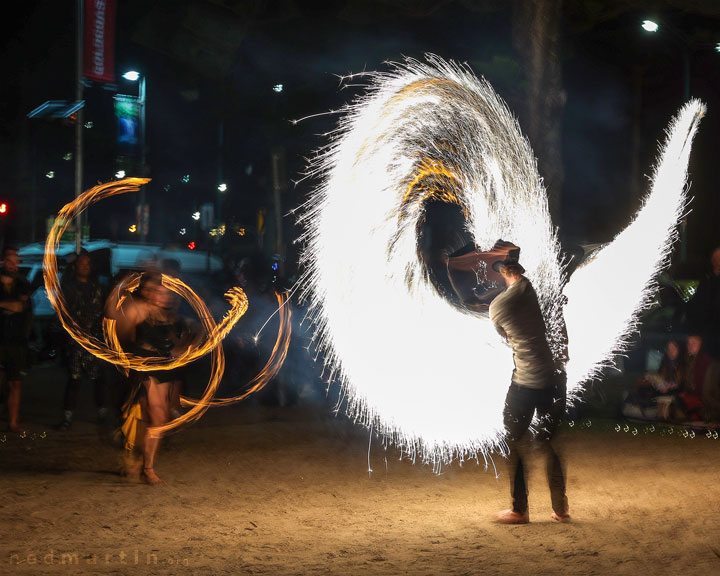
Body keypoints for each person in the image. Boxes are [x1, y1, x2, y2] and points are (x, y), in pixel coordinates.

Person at [489, 244, 569, 524]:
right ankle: (561, 509)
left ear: (502, 272)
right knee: (548, 443)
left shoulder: (497, 306)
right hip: (553, 380)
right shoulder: (530, 288)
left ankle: (519, 510)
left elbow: (504, 336)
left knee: (513, 440)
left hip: (525, 383)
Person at [105, 268, 193, 485]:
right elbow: (112, 315)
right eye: (161, 293)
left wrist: (184, 347)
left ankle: (142, 463)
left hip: (165, 367)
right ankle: (145, 466)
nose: (166, 297)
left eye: (167, 293)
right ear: (150, 292)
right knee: (155, 414)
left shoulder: (169, 315)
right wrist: (120, 288)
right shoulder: (140, 309)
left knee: (159, 419)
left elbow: (178, 341)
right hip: (144, 367)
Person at [57, 251, 108, 430]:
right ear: (75, 266)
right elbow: (63, 314)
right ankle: (67, 418)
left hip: (95, 342)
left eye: (88, 263)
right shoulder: (68, 287)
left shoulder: (98, 288)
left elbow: (104, 313)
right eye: (82, 263)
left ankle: (102, 413)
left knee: (99, 378)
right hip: (75, 342)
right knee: (74, 379)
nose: (85, 266)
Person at [0, 246, 32, 433]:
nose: (14, 264)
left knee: (15, 382)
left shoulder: (22, 283)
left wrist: (7, 305)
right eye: (10, 260)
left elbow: (21, 307)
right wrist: (10, 305)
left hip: (16, 340)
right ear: (4, 261)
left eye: (16, 260)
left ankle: (13, 422)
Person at [687, 246, 720, 360]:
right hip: (705, 333)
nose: (717, 260)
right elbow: (697, 305)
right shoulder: (706, 280)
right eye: (715, 257)